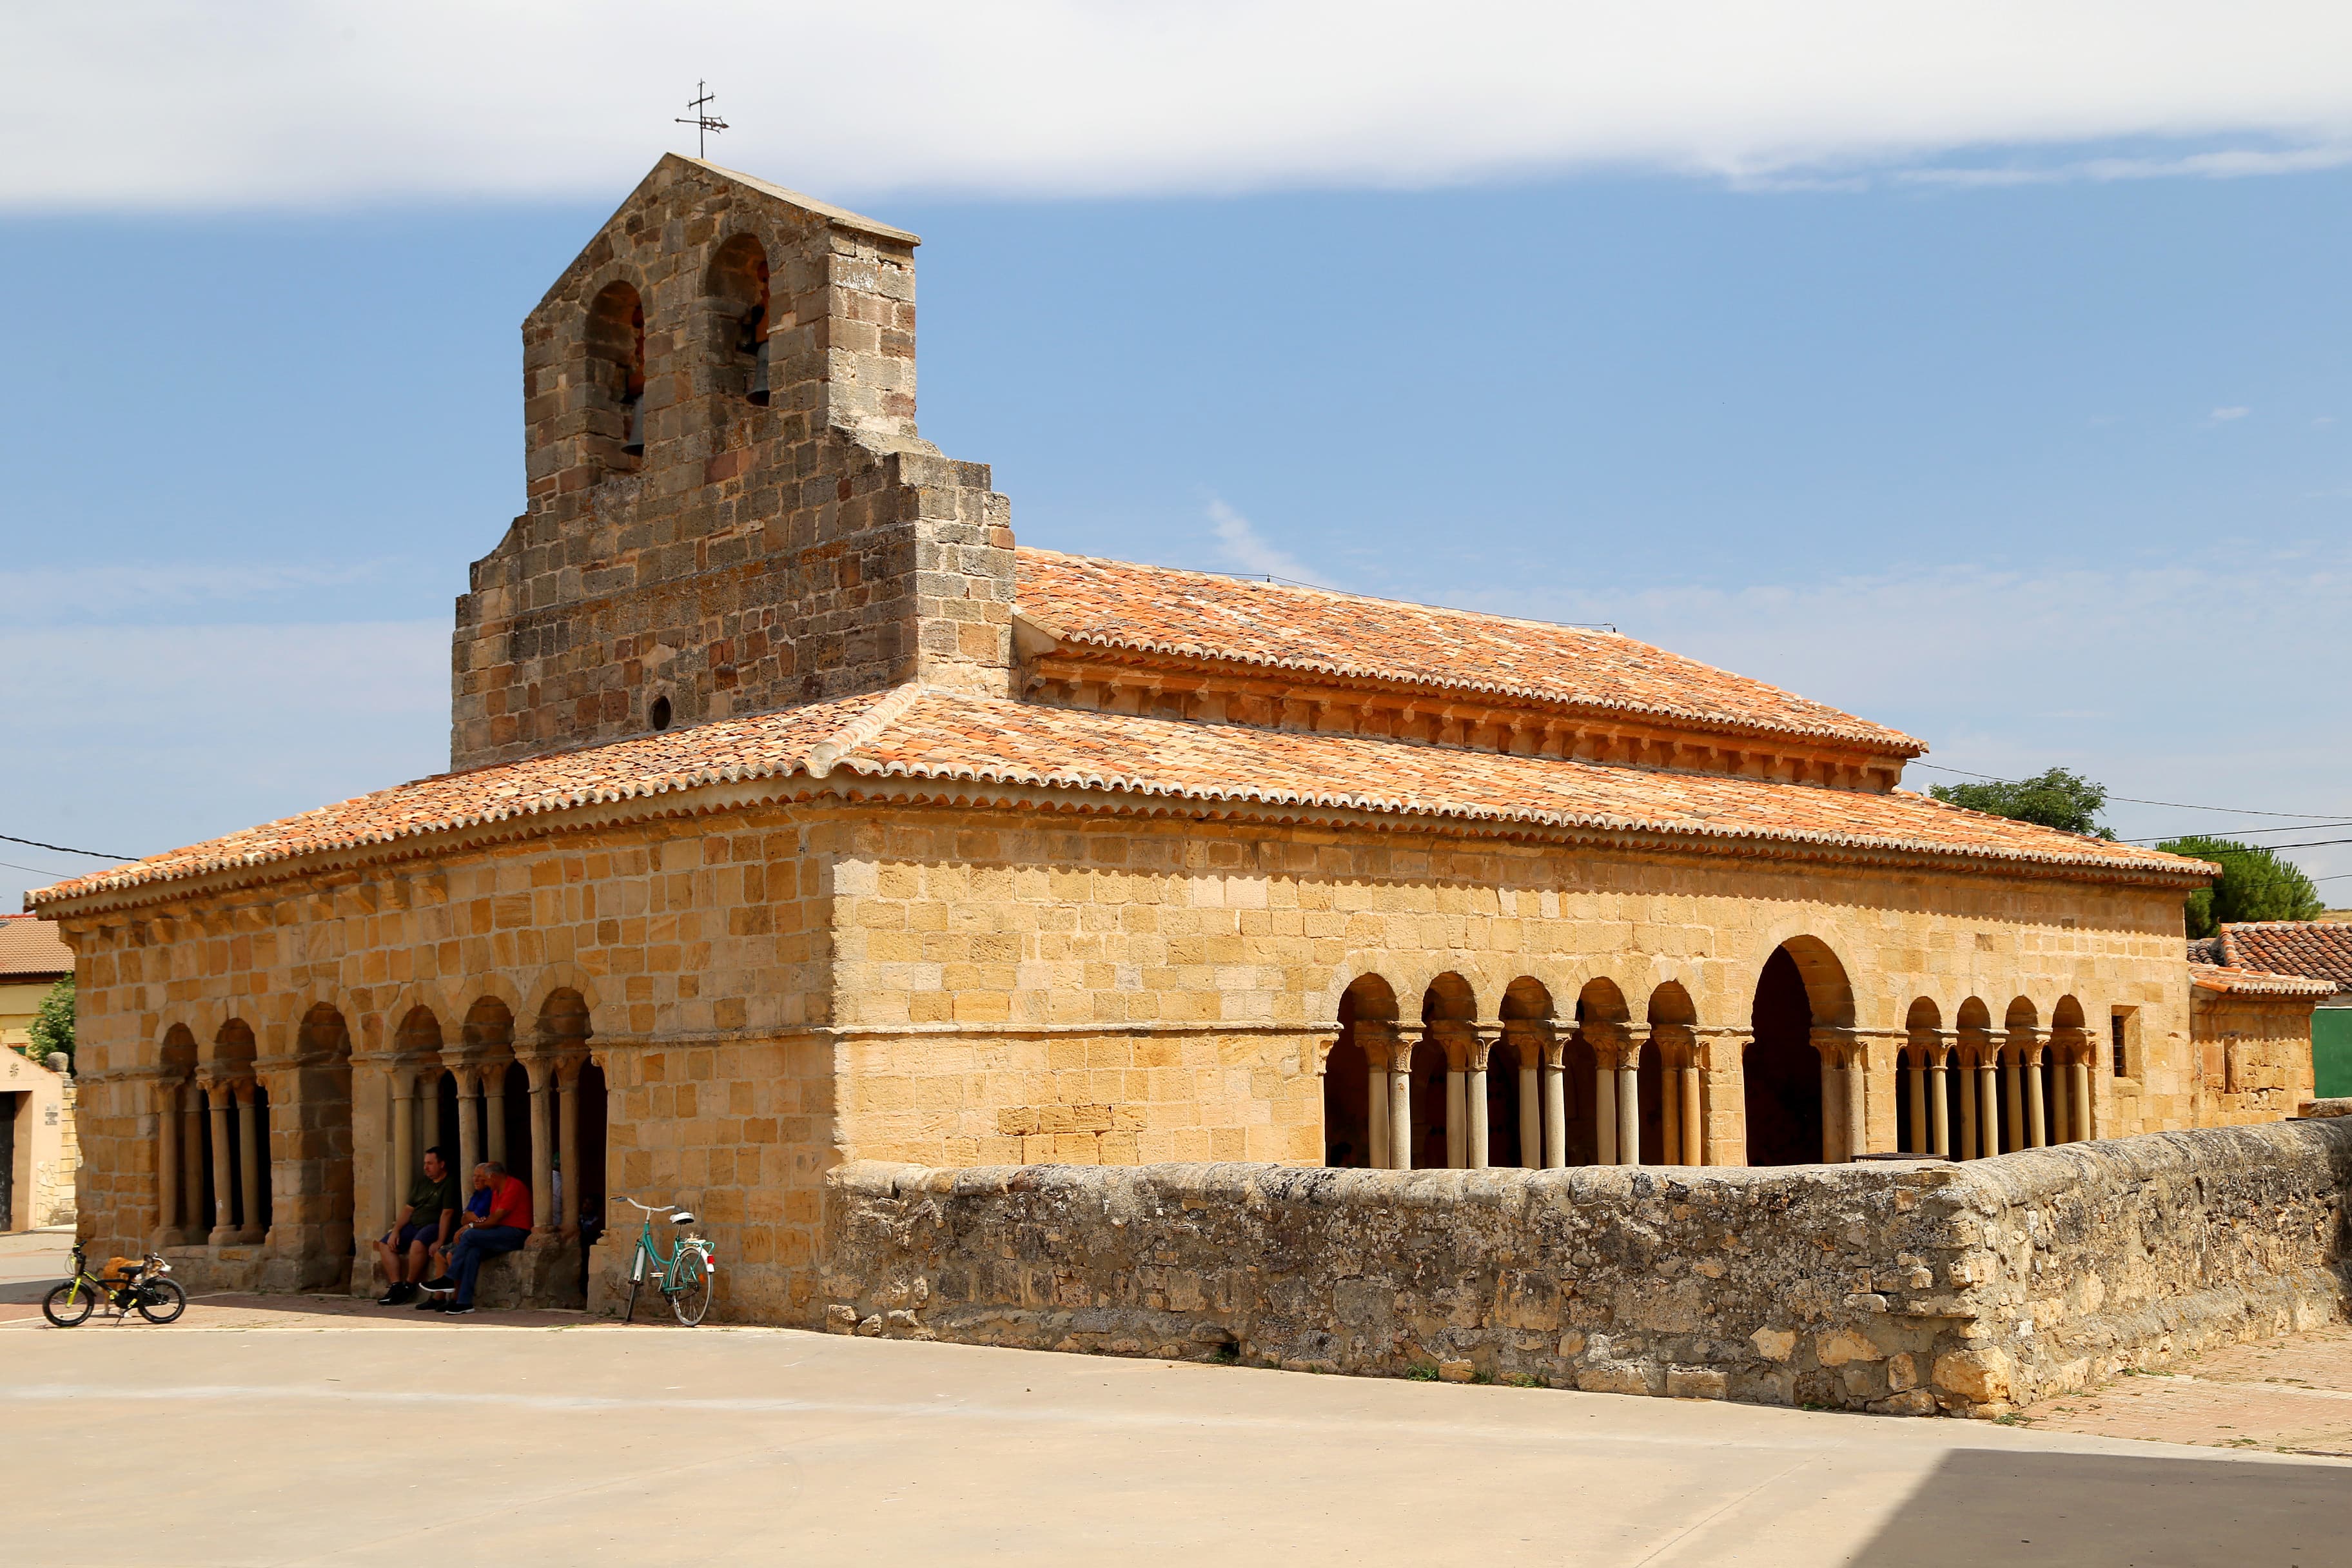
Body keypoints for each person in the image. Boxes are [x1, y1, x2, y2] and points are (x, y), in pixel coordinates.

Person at [416, 1159, 531, 1315]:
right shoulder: (496, 1191)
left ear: (494, 1177)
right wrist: (476, 1224)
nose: (483, 1182)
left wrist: (470, 1226)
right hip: (501, 1232)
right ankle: (464, 1302)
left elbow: (494, 1219)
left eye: (484, 1179)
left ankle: (450, 1277)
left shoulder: (513, 1187)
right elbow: (488, 1219)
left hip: (516, 1234)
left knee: (470, 1235)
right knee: (473, 1252)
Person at [373, 1146, 458, 1306]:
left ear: (442, 1164)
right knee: (384, 1244)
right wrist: (396, 1231)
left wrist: (440, 1241)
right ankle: (397, 1286)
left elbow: (447, 1214)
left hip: (433, 1225)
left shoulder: (450, 1183)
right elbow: (408, 1209)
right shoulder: (422, 1182)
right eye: (425, 1163)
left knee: (418, 1244)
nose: (426, 1167)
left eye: (430, 1164)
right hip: (414, 1225)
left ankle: (409, 1285)